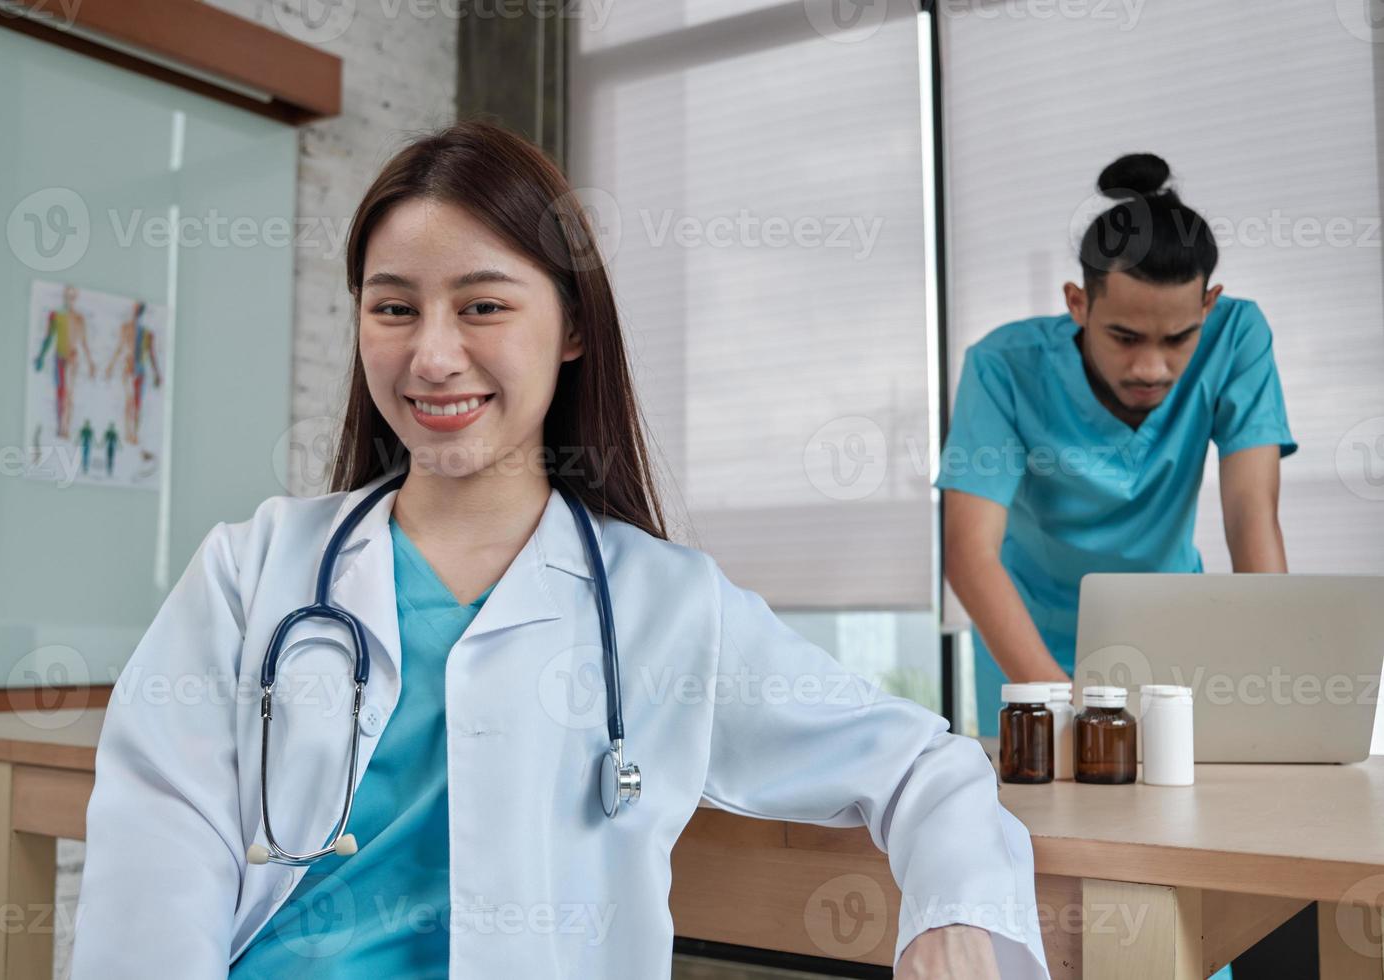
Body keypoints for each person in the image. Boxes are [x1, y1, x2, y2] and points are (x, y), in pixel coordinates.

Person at [71, 121, 1049, 979]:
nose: (433, 355)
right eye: (394, 306)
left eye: (483, 305)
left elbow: (923, 760)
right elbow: (157, 858)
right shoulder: (257, 570)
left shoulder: (666, 604)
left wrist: (955, 913)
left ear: (573, 325)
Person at [938, 154, 1296, 980]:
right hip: (1029, 654)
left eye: (1178, 338)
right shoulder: (1004, 366)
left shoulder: (1239, 337)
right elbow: (969, 551)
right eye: (1125, 337)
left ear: (1210, 306)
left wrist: (1279, 684)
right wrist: (1056, 702)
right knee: (1046, 887)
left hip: (1174, 648)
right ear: (1077, 305)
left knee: (1176, 889)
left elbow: (1251, 517)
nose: (1152, 367)